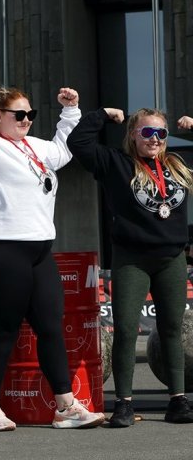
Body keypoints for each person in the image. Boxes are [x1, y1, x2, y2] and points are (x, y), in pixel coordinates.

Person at [0, 74, 105, 431]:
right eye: (17, 114)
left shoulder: (34, 147)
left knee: (51, 326)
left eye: (30, 113)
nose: (25, 120)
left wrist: (71, 111)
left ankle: (65, 406)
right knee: (4, 328)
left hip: (38, 250)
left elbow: (64, 150)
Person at [66, 107, 193, 427]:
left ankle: (178, 400)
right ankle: (123, 403)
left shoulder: (177, 165)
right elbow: (77, 143)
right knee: (124, 329)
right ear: (133, 136)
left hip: (171, 259)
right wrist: (102, 116)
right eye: (147, 133)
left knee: (171, 330)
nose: (155, 139)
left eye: (161, 134)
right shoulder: (115, 164)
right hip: (131, 258)